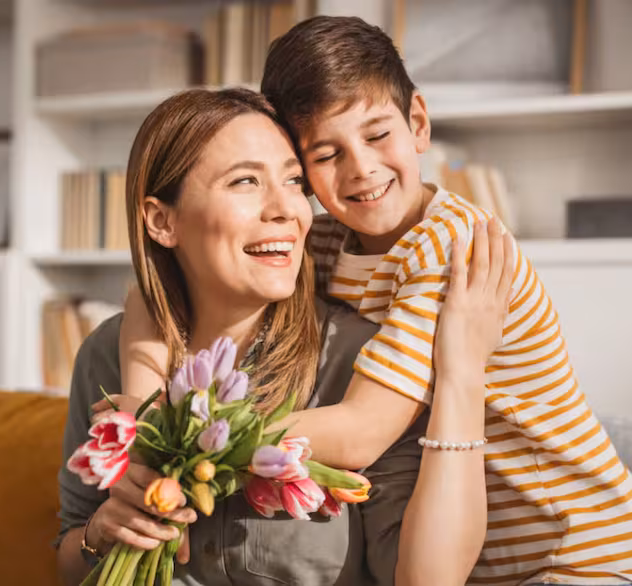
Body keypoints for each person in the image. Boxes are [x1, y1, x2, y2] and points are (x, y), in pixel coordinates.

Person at [120, 16, 632, 586]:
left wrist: (188, 441)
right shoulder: (326, 240)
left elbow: (362, 433)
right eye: (326, 154)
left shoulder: (448, 247)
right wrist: (141, 415)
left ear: (418, 124)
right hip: (478, 556)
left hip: (579, 550)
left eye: (377, 136)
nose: (361, 169)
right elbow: (152, 293)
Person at [57, 87, 514, 586]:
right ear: (162, 221)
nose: (286, 210)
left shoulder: (361, 363)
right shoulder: (108, 354)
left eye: (294, 181)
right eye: (245, 181)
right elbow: (68, 554)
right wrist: (99, 535)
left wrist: (462, 372)